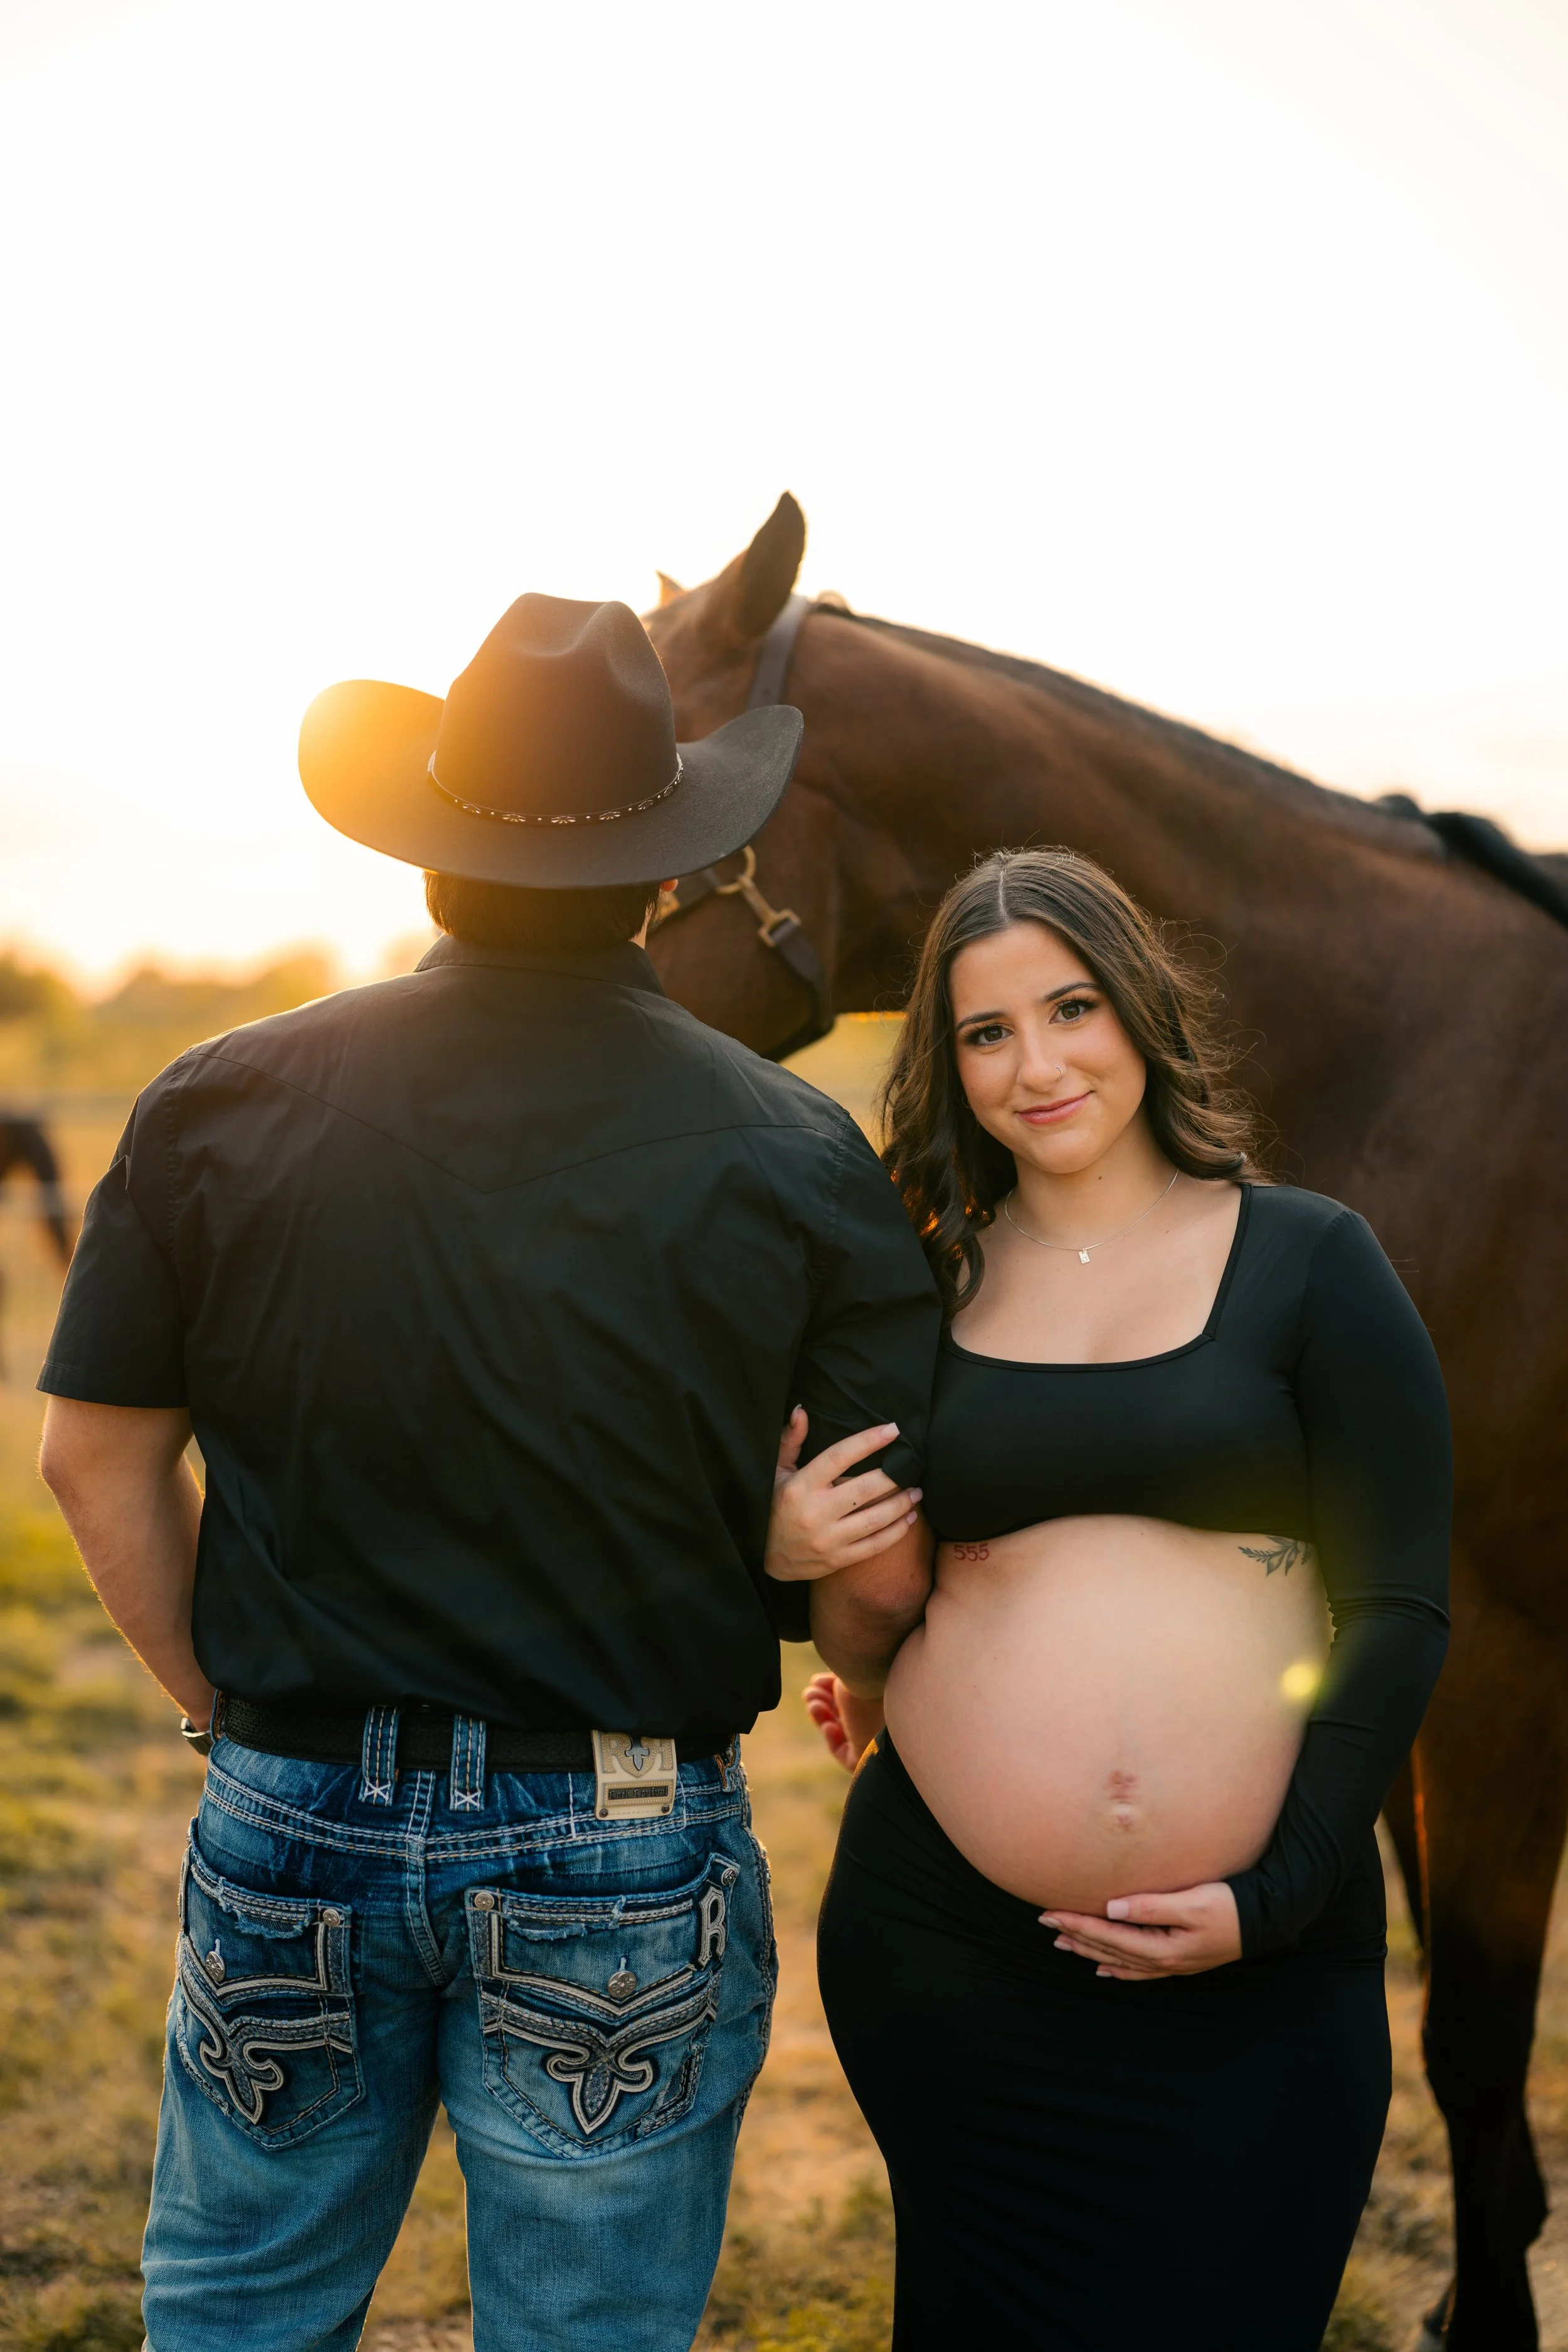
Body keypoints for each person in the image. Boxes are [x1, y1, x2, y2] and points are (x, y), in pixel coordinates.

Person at [35, 594, 939, 2352]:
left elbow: (90, 1455)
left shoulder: (215, 1100)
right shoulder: (797, 1150)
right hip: (612, 1830)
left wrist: (228, 1710)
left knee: (232, 2307)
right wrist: (799, 1599)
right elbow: (879, 1575)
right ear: (669, 875)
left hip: (290, 1800)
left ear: (428, 853)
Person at [768, 847, 1452, 2352]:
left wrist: (1267, 1901)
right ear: (945, 1066)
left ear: (1138, 1011)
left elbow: (1401, 1604)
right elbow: (875, 1576)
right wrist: (801, 1559)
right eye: (983, 1032)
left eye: (1068, 1007)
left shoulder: (1308, 1260)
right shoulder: (918, 1281)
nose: (1036, 1064)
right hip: (949, 1959)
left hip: (1255, 1973)